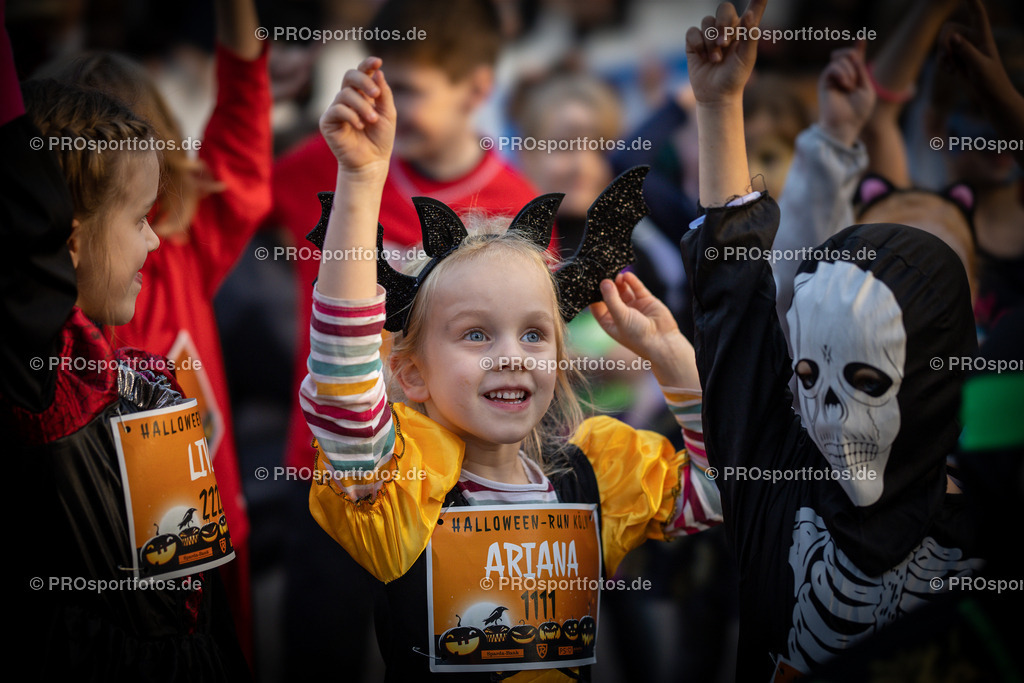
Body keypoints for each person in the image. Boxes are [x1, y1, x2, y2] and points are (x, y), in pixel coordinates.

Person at [299, 56, 722, 681]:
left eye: (533, 333)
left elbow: (717, 492)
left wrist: (676, 362)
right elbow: (343, 383)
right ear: (410, 373)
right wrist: (362, 181)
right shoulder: (397, 483)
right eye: (475, 333)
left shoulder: (594, 475)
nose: (510, 356)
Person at [680, 0, 982, 679]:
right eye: (808, 374)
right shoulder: (772, 481)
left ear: (933, 377)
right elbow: (736, 304)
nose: (828, 410)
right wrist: (719, 107)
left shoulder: (996, 519)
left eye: (867, 380)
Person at [2, 19, 249, 679]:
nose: (156, 241)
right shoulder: (46, 380)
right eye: (139, 219)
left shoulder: (132, 374)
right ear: (68, 238)